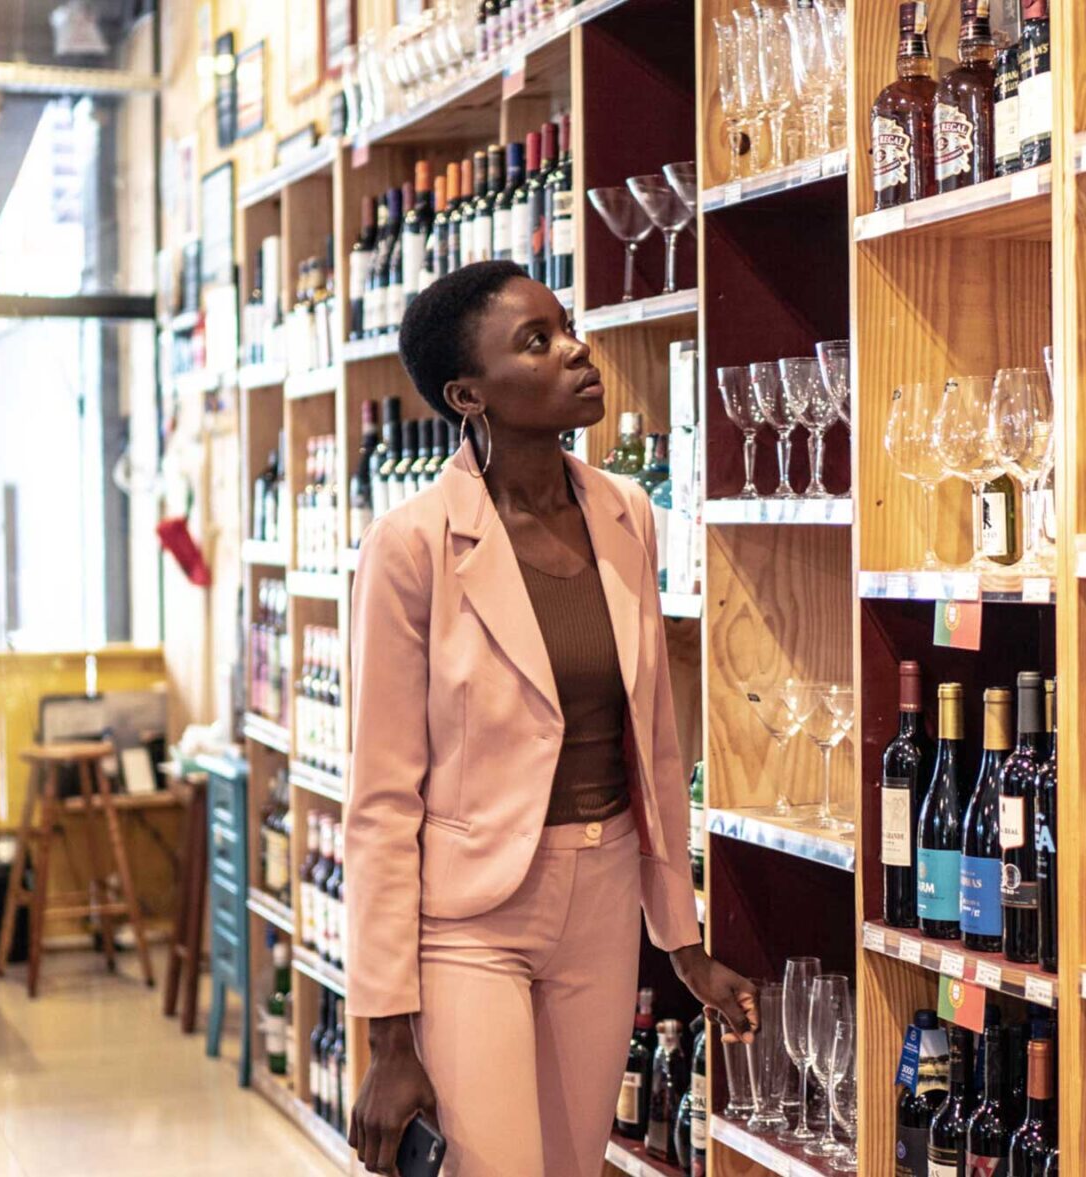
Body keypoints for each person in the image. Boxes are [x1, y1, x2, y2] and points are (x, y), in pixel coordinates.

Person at [343, 261, 757, 1175]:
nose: (577, 351)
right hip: (469, 920)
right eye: (538, 342)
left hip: (603, 899)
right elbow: (379, 800)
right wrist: (387, 1038)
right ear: (468, 394)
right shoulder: (411, 547)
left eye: (567, 327)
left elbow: (649, 740)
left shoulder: (626, 514)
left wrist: (682, 943)